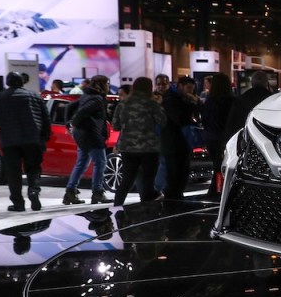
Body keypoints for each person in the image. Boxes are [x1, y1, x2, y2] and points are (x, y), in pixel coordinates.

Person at [0, 71, 51, 211]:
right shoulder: (34, 96)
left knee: (13, 172)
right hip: (33, 139)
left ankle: (18, 203)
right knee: (33, 169)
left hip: (9, 140)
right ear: (22, 82)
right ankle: (33, 192)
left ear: (7, 82)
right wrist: (44, 138)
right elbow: (46, 119)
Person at [111, 76, 166, 206]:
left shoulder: (122, 104)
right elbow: (163, 121)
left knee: (126, 181)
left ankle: (116, 207)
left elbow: (115, 126)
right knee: (147, 181)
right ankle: (146, 210)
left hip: (127, 147)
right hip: (149, 148)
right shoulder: (151, 104)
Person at [63, 75, 111, 205]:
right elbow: (81, 113)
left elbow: (68, 107)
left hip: (82, 136)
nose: (108, 86)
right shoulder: (97, 99)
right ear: (101, 85)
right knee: (100, 163)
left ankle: (70, 192)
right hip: (92, 135)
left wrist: (69, 124)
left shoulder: (86, 96)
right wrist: (73, 124)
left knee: (82, 163)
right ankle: (97, 192)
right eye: (107, 83)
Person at [160, 75, 199, 200]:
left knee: (182, 172)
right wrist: (191, 104)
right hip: (173, 142)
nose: (190, 91)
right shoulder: (171, 99)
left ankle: (175, 197)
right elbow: (180, 119)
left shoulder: (179, 98)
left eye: (192, 89)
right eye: (188, 88)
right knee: (175, 173)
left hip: (181, 142)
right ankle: (172, 199)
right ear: (180, 86)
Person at [200, 72, 234, 198]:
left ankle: (216, 190)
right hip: (222, 138)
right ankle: (219, 191)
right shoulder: (229, 101)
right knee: (221, 167)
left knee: (217, 166)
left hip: (210, 137)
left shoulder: (209, 100)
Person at [223, 70, 275, 142]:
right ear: (266, 83)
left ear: (252, 83)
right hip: (267, 138)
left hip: (245, 138)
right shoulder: (273, 99)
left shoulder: (241, 99)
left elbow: (231, 123)